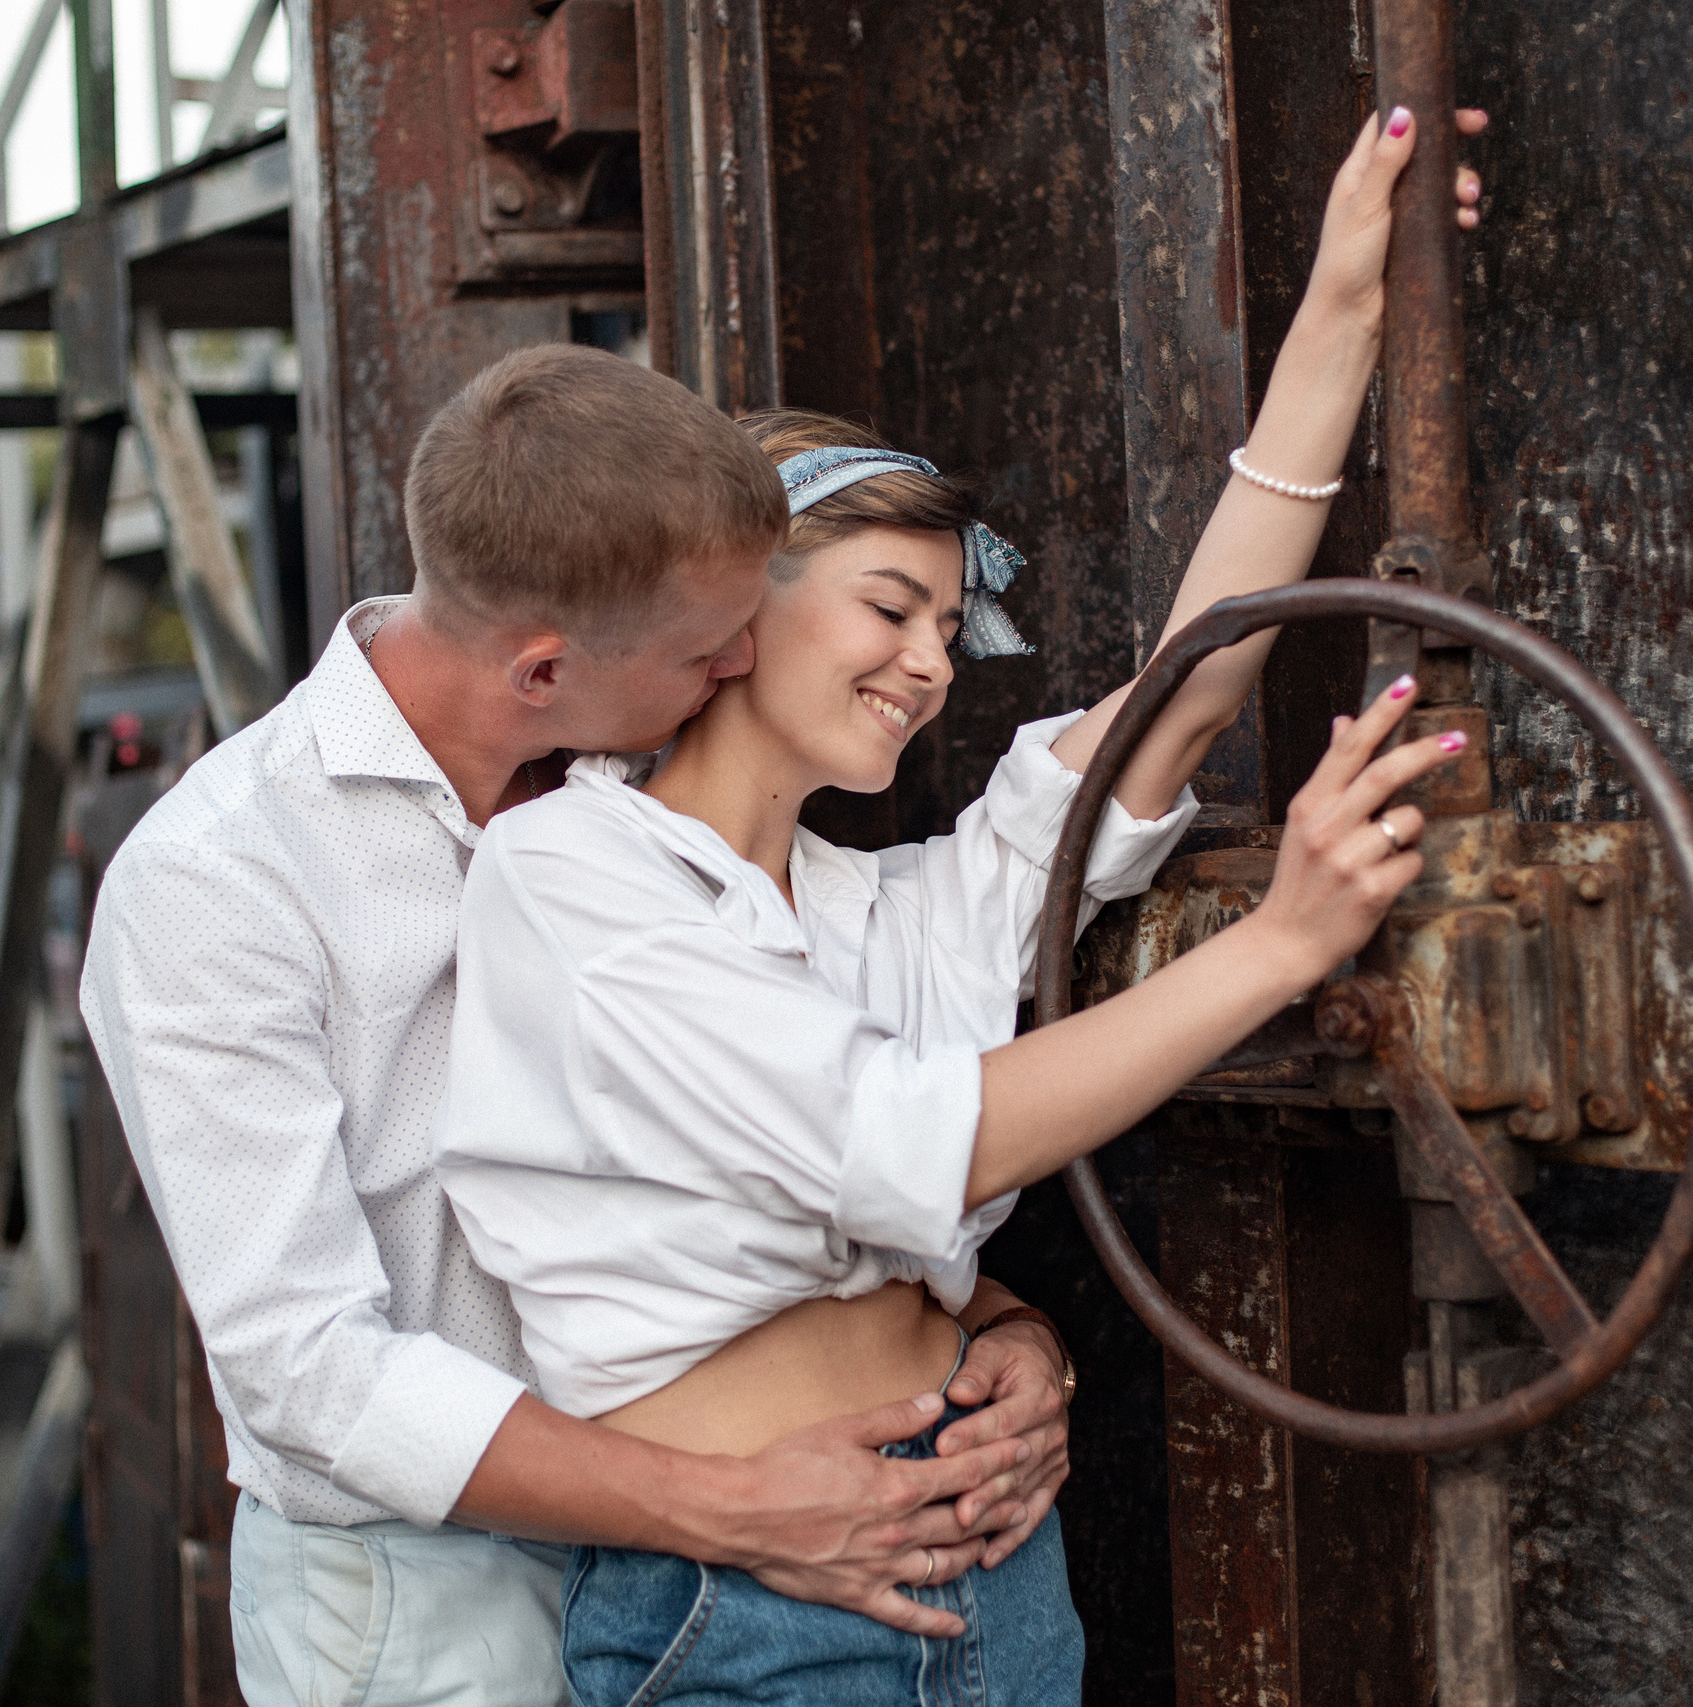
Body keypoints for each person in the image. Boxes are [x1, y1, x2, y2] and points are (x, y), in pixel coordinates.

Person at [439, 106, 1483, 1706]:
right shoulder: (568, 880)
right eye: (891, 609)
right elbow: (915, 1138)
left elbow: (1187, 693)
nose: (934, 667)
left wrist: (1347, 303)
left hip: (993, 1562)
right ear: (732, 608)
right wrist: (1286, 939)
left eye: (949, 622)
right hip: (751, 1608)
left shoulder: (888, 908)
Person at [80, 349, 1078, 1706]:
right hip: (428, 1591)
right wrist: (725, 1509)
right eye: (708, 648)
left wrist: (1009, 1329)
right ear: (542, 667)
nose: (739, 664)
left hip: (709, 1551)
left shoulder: (628, 766)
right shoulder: (220, 880)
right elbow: (308, 1375)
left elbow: (768, 1161)